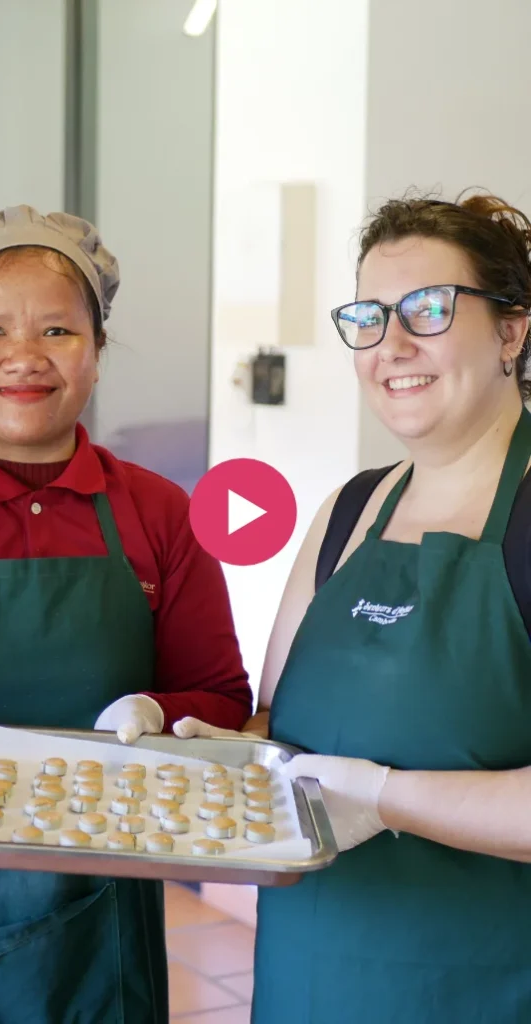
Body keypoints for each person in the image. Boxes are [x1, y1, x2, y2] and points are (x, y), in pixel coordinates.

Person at [180, 192, 531, 1022]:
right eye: (369, 316)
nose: (392, 344)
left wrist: (380, 795)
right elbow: (275, 726)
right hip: (309, 977)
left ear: (513, 331)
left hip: (483, 985)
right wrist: (192, 750)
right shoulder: (346, 512)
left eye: (429, 309)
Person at [0, 205, 251, 1023]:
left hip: (93, 925)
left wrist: (163, 712)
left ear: (97, 352)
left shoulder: (156, 512)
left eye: (58, 331)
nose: (24, 359)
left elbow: (223, 694)